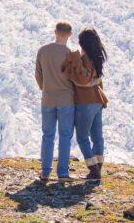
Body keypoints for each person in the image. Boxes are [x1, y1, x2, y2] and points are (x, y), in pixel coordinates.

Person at [62, 26, 108, 181]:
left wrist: (74, 56)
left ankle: (93, 171)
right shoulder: (97, 57)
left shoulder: (85, 58)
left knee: (82, 136)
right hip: (97, 101)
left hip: (85, 102)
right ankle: (98, 169)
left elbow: (82, 79)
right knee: (97, 136)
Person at [34, 20, 76, 182]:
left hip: (48, 99)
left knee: (48, 135)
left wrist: (45, 88)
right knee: (65, 136)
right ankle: (63, 173)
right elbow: (75, 79)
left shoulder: (43, 51)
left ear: (55, 32)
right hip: (66, 100)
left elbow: (38, 74)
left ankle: (45, 172)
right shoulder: (71, 54)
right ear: (70, 35)